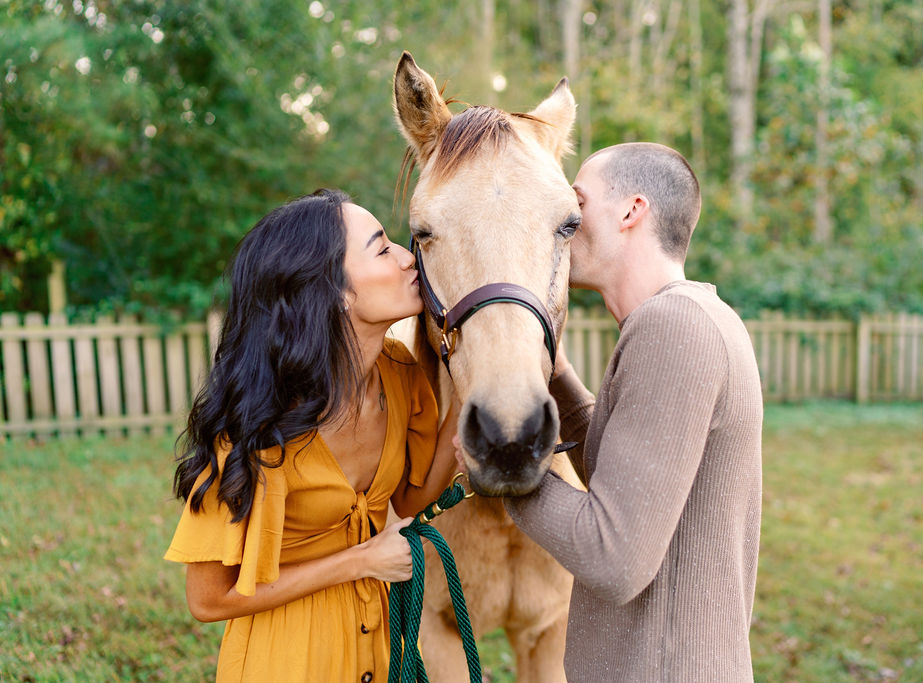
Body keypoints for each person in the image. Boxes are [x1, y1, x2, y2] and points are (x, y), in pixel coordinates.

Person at [164, 189, 460, 682]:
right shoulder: (256, 421)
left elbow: (407, 502)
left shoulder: (401, 376)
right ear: (333, 291)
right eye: (383, 248)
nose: (411, 259)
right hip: (287, 661)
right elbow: (207, 599)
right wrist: (360, 561)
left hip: (381, 649)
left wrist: (466, 398)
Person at [500, 143, 763, 681]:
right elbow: (634, 487)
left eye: (575, 204)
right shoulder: (697, 315)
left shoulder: (673, 329)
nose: (563, 222)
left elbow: (612, 557)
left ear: (630, 211)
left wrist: (503, 467)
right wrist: (556, 374)